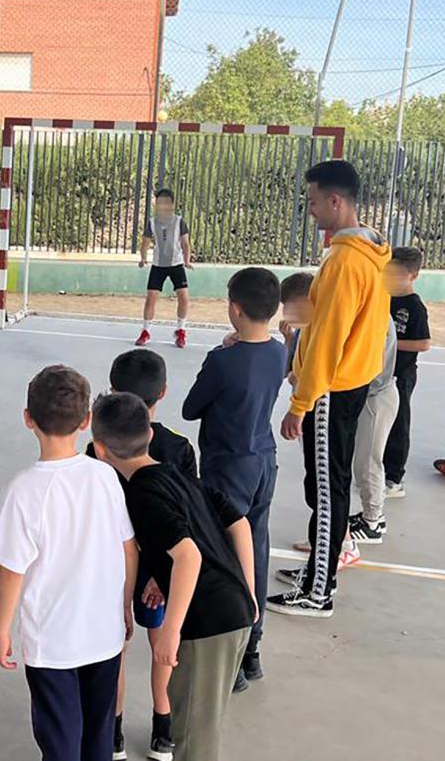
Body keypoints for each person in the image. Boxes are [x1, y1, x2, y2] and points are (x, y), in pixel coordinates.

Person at [92, 392, 256, 761]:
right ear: (149, 433)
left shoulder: (141, 495)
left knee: (193, 745)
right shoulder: (177, 477)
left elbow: (188, 555)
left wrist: (170, 631)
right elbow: (239, 523)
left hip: (207, 625)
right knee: (195, 729)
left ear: (100, 450)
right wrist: (248, 591)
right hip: (234, 610)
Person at [0, 365, 136, 761]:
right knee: (99, 735)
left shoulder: (23, 490)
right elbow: (128, 548)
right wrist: (125, 605)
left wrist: (3, 629)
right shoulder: (105, 477)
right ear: (87, 421)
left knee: (60, 740)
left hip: (52, 642)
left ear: (28, 419)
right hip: (103, 635)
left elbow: (13, 569)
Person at [270, 159, 390, 619]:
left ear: (336, 201)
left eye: (314, 201)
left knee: (325, 488)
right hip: (350, 382)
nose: (312, 210)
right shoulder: (370, 253)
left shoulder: (344, 261)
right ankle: (318, 573)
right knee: (328, 484)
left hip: (331, 390)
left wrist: (301, 403)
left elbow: (327, 336)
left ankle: (319, 590)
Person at [86, 349, 193, 761]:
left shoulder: (98, 449)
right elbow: (183, 517)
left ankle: (111, 733)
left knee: (117, 646)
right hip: (160, 572)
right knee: (162, 642)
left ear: (112, 391)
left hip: (111, 570)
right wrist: (158, 575)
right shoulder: (178, 448)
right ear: (162, 393)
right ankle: (162, 729)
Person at [181, 267, 285, 684]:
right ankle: (253, 650)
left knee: (222, 558)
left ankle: (231, 652)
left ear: (236, 310)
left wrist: (224, 353)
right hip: (264, 461)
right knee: (255, 551)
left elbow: (191, 408)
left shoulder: (223, 361)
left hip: (228, 468)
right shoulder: (278, 352)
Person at [381, 247, 432, 499]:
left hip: (401, 374)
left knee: (398, 424)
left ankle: (394, 478)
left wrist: (391, 342)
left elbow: (424, 343)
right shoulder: (384, 297)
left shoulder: (414, 306)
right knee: (376, 423)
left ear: (412, 276)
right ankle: (377, 470)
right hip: (379, 372)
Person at [346, 316, 398, 544]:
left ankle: (372, 523)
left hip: (375, 397)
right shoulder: (377, 310)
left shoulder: (375, 318)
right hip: (374, 395)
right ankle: (373, 515)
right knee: (366, 460)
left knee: (368, 462)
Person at [136, 189, 193, 349]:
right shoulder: (153, 222)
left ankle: (180, 330)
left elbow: (185, 243)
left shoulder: (179, 221)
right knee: (151, 298)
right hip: (158, 265)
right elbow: (145, 242)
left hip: (176, 264)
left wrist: (187, 261)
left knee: (183, 297)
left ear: (172, 204)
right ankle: (145, 331)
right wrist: (143, 258)